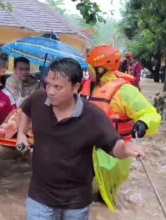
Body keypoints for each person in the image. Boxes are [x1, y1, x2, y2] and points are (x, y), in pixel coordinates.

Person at [17, 58, 145, 219]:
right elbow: (25, 110)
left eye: (58, 87)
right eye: (48, 84)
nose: (50, 91)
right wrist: (21, 133)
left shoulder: (92, 116)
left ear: (76, 87)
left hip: (75, 203)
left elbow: (114, 146)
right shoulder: (38, 99)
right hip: (40, 197)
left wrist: (126, 148)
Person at [83, 45, 161, 208]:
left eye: (90, 68)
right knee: (83, 192)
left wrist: (143, 124)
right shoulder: (88, 86)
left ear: (101, 69)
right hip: (88, 147)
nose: (87, 71)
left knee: (105, 197)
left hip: (113, 151)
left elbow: (151, 114)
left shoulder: (125, 91)